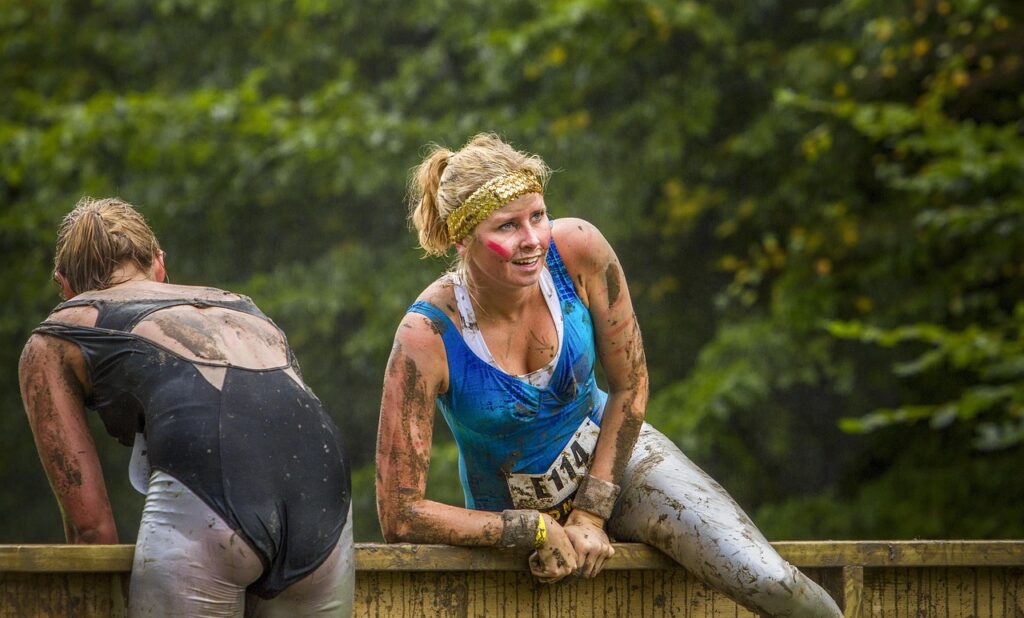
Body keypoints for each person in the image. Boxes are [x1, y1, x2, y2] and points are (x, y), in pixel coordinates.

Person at [376, 133, 842, 617]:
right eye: (508, 226)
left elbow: (631, 384)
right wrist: (527, 529)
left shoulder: (576, 250)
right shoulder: (426, 334)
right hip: (510, 520)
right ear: (462, 237)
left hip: (618, 459)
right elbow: (400, 514)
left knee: (771, 582)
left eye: (537, 215)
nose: (533, 239)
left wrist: (592, 512)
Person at [19, 197, 354, 617]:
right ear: (160, 265)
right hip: (323, 490)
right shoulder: (244, 307)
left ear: (64, 285)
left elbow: (92, 530)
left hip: (213, 491)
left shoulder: (56, 335)